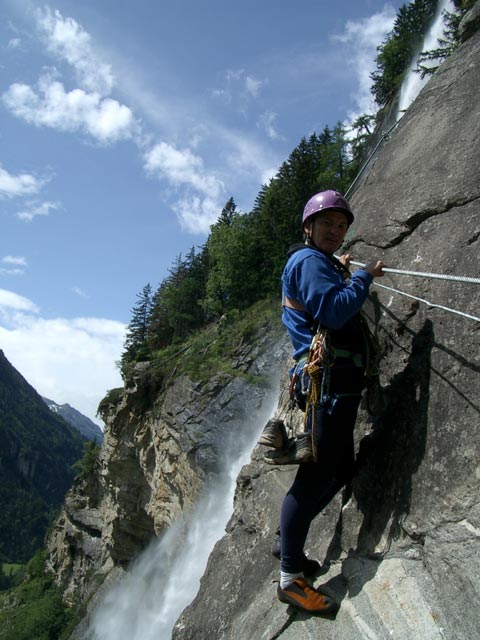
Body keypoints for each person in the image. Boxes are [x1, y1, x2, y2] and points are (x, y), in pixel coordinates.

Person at [269, 189, 384, 615]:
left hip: (335, 382)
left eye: (341, 226)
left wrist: (343, 271)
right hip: (329, 384)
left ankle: (288, 544)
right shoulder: (308, 261)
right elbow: (334, 312)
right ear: (308, 227)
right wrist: (363, 277)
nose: (336, 232)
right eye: (327, 225)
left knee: (338, 470)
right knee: (318, 478)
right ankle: (290, 579)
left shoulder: (315, 262)